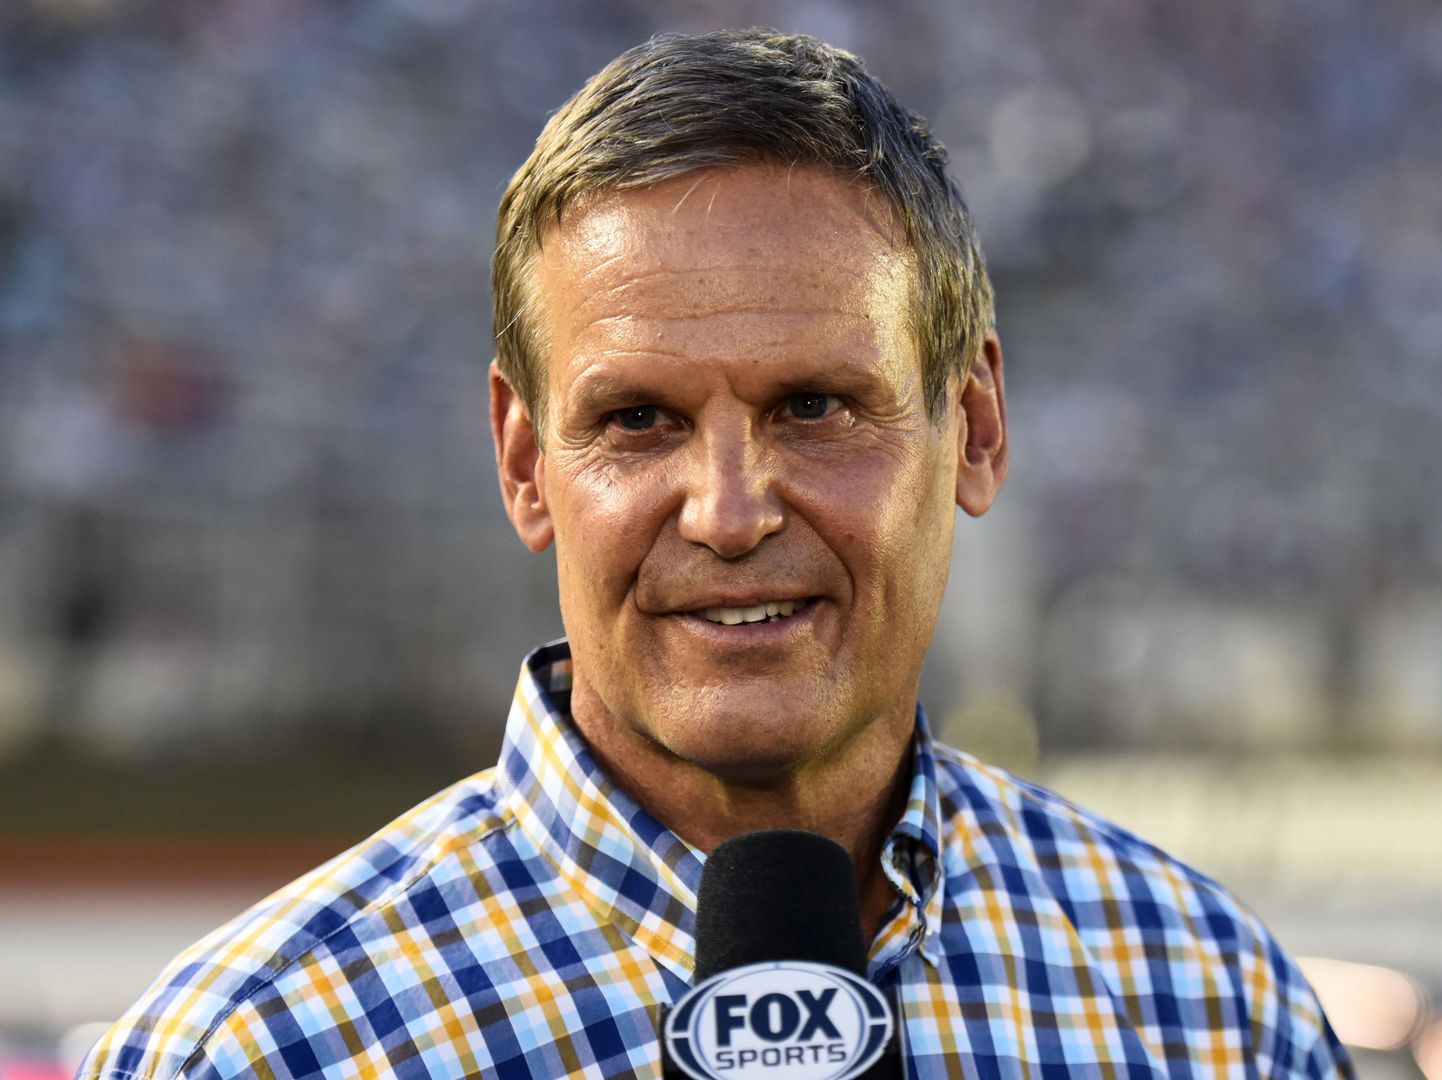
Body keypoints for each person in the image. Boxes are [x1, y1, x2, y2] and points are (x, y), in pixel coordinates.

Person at [79, 30, 1352, 1079]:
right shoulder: (263, 1049)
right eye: (639, 421)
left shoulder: (1207, 1007)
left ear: (973, 429)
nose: (730, 513)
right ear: (527, 466)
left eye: (813, 406)